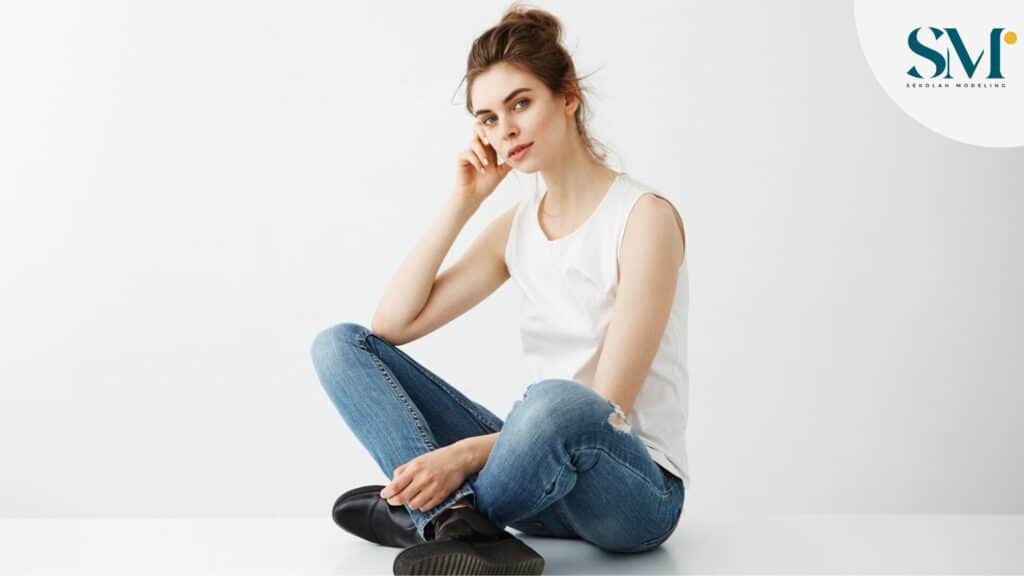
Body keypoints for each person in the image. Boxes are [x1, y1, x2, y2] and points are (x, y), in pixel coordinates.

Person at [310, 3, 689, 574]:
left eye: (520, 104)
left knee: (558, 401)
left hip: (631, 489)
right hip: (535, 475)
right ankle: (458, 522)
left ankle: (427, 514)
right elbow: (391, 327)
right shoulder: (516, 225)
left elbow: (607, 408)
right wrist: (465, 201)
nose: (505, 129)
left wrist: (460, 457)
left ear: (567, 96)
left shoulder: (642, 218)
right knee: (339, 345)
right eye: (487, 118)